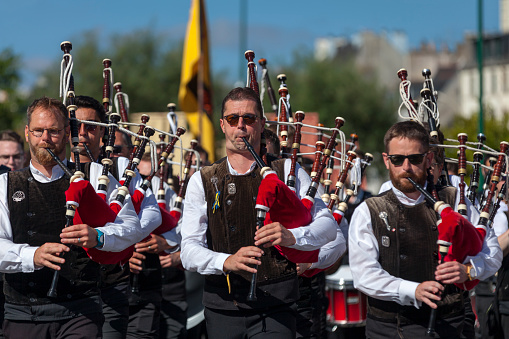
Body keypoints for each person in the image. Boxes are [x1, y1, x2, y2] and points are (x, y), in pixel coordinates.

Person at [180, 87, 337, 338]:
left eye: (249, 118)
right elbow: (188, 250)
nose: (241, 126)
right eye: (233, 119)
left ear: (261, 124)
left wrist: (292, 236)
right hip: (222, 307)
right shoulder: (203, 180)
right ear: (223, 125)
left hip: (277, 307)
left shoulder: (288, 171)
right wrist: (226, 261)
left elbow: (329, 227)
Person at [0, 96, 143, 338]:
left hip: (81, 312)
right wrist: (31, 255)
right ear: (27, 133)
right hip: (22, 313)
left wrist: (98, 236)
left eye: (54, 131)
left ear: (67, 133)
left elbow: (131, 228)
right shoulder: (5, 184)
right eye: (38, 131)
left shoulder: (95, 174)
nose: (45, 138)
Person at [349, 121, 502, 338]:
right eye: (397, 159)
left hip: (448, 325)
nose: (406, 167)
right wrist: (413, 290)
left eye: (415, 158)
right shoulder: (369, 211)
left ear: (429, 159)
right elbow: (363, 275)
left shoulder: (454, 200)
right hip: (389, 329)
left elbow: (492, 251)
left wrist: (469, 270)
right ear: (386, 160)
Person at [74, 95, 161, 339]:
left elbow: (152, 214)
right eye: (75, 125)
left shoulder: (120, 166)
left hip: (112, 282)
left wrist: (123, 239)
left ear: (102, 133)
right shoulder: (55, 169)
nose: (82, 133)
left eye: (91, 126)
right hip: (68, 288)